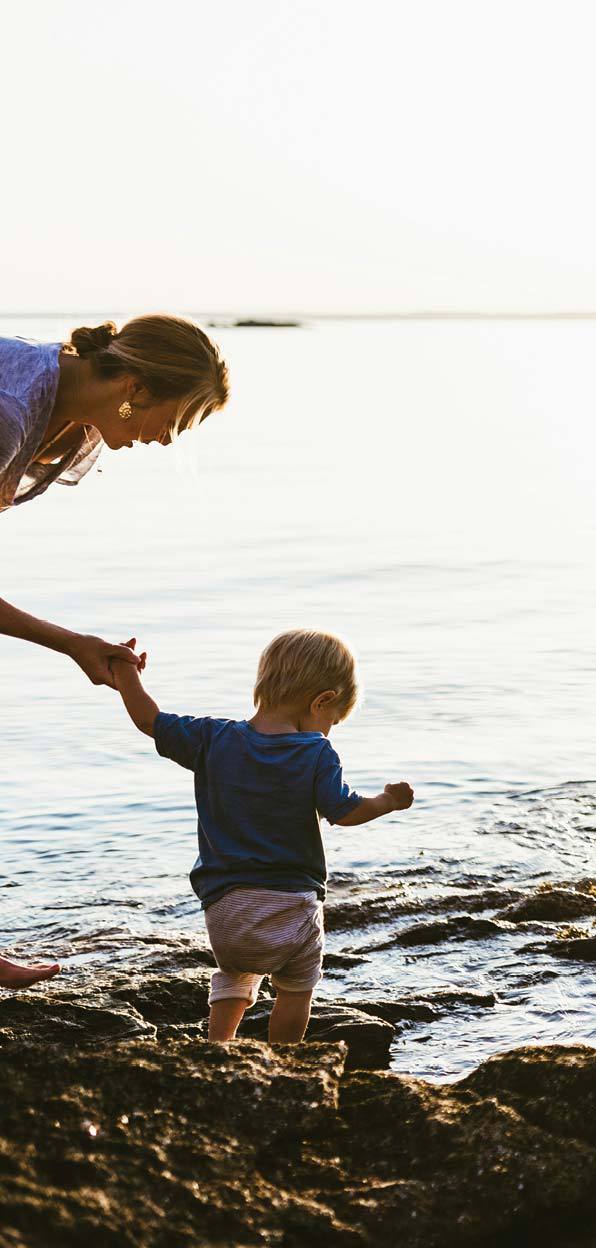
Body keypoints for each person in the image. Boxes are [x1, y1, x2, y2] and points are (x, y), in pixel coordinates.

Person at [0, 316, 231, 984]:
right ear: (133, 387)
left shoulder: (72, 420)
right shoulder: (12, 413)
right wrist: (70, 642)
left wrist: (75, 644)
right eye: (173, 420)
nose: (163, 438)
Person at [105, 629, 414, 1044]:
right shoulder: (316, 752)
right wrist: (387, 801)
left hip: (225, 914)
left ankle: (219, 1050)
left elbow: (149, 720)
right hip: (292, 907)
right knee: (297, 986)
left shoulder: (211, 738)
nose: (327, 731)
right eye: (331, 720)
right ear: (321, 701)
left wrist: (127, 673)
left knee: (234, 974)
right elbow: (345, 812)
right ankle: (283, 1060)